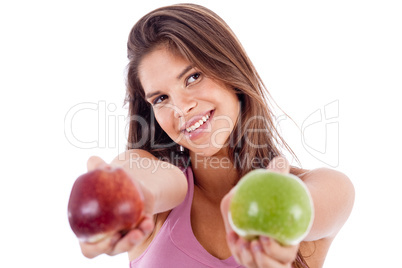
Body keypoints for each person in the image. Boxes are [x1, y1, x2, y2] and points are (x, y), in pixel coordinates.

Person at [78, 4, 355, 268]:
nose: (181, 108)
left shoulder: (327, 187)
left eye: (193, 77)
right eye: (161, 98)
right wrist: (127, 197)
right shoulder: (165, 190)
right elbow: (145, 179)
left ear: (229, 68)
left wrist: (277, 212)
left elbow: (308, 206)